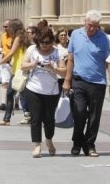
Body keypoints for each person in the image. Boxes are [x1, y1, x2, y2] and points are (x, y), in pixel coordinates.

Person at [62, 10, 110, 157]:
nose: (92, 28)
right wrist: (67, 80)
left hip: (98, 83)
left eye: (95, 26)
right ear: (85, 21)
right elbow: (70, 59)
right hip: (78, 81)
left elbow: (109, 63)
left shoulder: (104, 39)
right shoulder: (76, 35)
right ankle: (77, 143)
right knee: (79, 113)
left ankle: (89, 145)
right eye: (90, 25)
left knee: (94, 117)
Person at [21, 28, 67, 157]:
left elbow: (64, 71)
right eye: (42, 42)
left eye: (47, 42)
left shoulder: (58, 52)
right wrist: (33, 64)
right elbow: (22, 65)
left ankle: (49, 140)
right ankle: (36, 145)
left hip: (51, 91)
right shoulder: (32, 50)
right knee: (35, 118)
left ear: (51, 41)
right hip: (33, 89)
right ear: (37, 41)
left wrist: (54, 68)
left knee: (49, 119)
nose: (45, 45)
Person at [0, 18, 30, 126]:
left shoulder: (18, 38)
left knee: (11, 93)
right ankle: (27, 115)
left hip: (18, 70)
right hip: (18, 68)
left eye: (10, 27)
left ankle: (7, 119)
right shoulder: (24, 36)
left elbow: (11, 53)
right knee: (21, 93)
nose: (8, 29)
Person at [0, 20, 12, 111]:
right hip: (5, 63)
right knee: (4, 83)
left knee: (15, 85)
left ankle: (16, 103)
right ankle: (3, 103)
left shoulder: (15, 37)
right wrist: (0, 50)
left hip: (14, 64)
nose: (5, 28)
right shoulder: (3, 36)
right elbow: (1, 46)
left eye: (7, 26)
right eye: (4, 26)